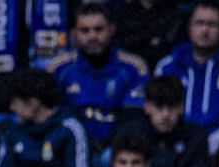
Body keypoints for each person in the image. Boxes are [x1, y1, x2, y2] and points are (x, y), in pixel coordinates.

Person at [155, 2, 219, 152]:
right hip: (173, 149)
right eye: (199, 23)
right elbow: (157, 113)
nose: (204, 30)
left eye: (212, 25)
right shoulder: (167, 67)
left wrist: (206, 145)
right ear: (189, 28)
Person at [50, 3, 148, 146]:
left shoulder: (133, 67)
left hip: (116, 148)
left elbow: (133, 118)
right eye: (85, 30)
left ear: (111, 30)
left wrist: (106, 145)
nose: (92, 36)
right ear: (74, 34)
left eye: (98, 29)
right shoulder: (59, 68)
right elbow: (52, 115)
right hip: (72, 145)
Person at [114, 75, 211, 167]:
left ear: (181, 107)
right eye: (159, 106)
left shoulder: (196, 137)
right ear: (147, 107)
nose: (165, 114)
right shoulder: (130, 133)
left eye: (171, 107)